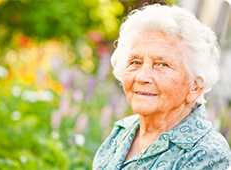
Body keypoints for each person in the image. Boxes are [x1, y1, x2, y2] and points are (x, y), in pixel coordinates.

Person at [93, 4, 231, 170]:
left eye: (162, 65)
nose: (142, 77)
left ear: (195, 86)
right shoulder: (123, 130)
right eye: (135, 62)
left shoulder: (208, 155)